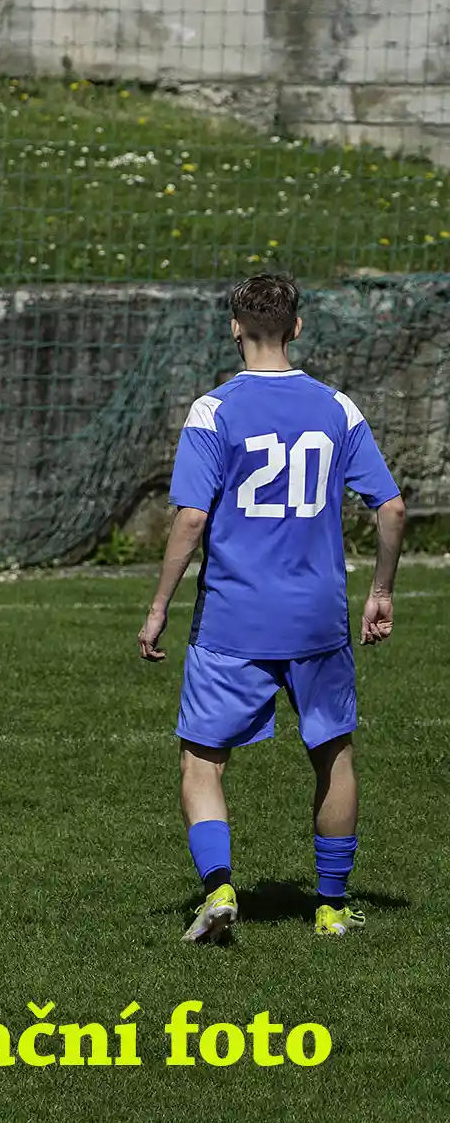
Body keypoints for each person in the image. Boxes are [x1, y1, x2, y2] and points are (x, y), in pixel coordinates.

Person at [138, 273, 405, 942]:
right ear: (298, 327)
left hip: (234, 618)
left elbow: (192, 516)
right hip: (318, 616)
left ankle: (222, 890)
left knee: (203, 760)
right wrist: (380, 589)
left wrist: (159, 605)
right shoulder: (337, 407)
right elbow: (393, 507)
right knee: (333, 752)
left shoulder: (214, 410)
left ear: (233, 328)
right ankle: (332, 909)